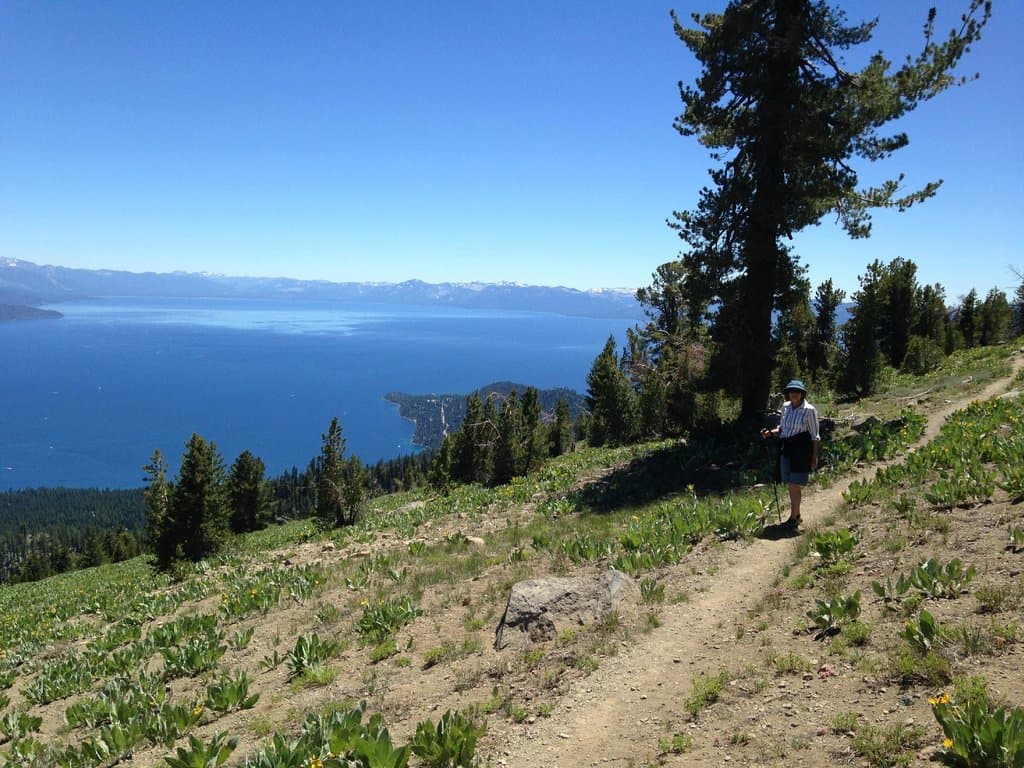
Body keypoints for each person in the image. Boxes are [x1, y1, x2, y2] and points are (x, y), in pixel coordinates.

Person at [760, 379, 820, 530]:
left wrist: (814, 456)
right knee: (790, 484)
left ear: (802, 394)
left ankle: (793, 519)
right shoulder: (786, 407)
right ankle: (796, 516)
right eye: (791, 391)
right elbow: (782, 428)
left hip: (801, 449)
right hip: (786, 447)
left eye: (797, 391)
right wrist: (770, 433)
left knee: (794, 483)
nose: (794, 394)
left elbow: (815, 435)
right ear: (788, 394)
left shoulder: (809, 410)